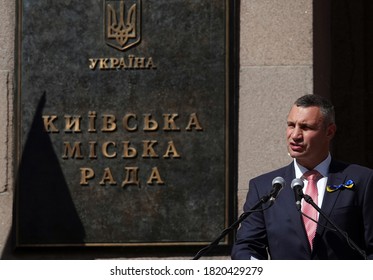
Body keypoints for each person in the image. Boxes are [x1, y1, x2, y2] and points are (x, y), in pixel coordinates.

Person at [231, 94, 373, 260]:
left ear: (329, 131)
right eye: (291, 125)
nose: (295, 135)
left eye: (306, 128)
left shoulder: (363, 180)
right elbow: (247, 246)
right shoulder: (263, 187)